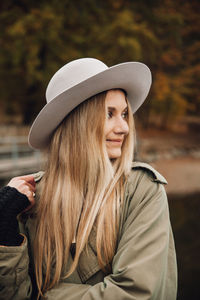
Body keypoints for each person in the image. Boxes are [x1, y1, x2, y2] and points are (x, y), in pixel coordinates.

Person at [0, 58, 177, 300]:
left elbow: (136, 293)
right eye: (109, 114)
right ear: (77, 122)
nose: (124, 127)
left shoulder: (141, 189)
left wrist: (42, 296)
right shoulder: (30, 198)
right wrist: (5, 231)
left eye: (124, 114)